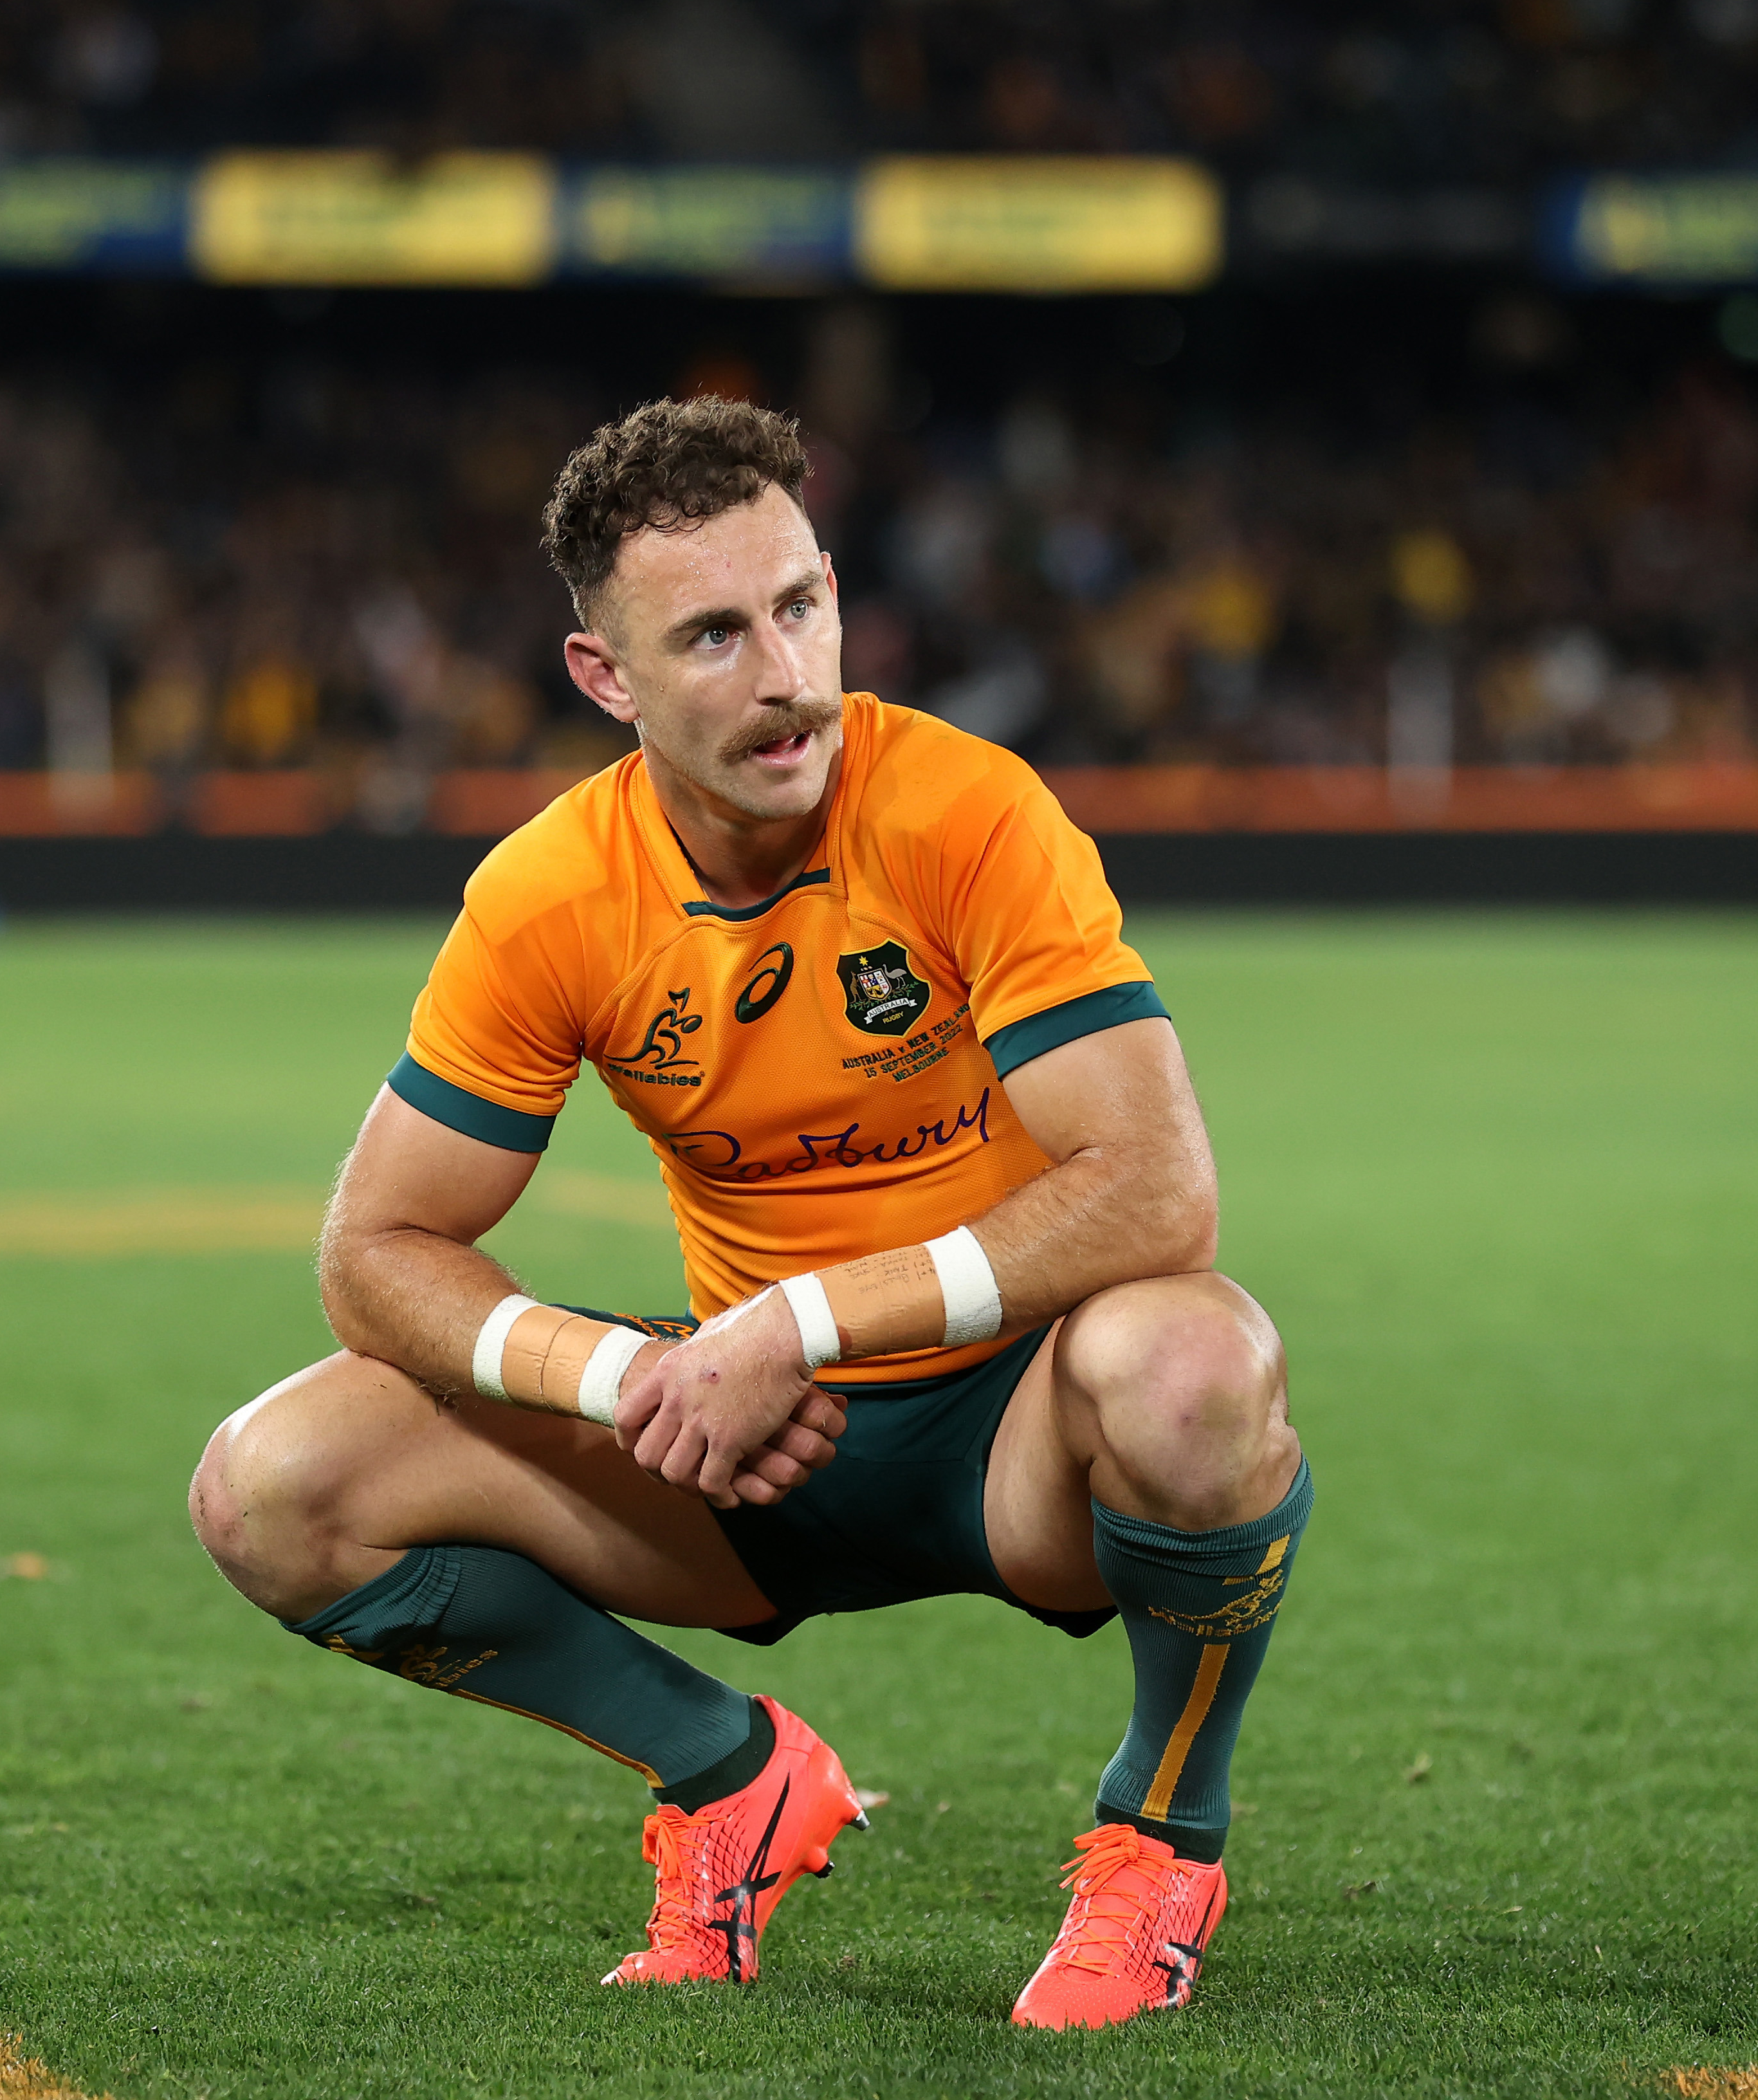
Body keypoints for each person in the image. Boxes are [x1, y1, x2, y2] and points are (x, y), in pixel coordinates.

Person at [188, 396, 1308, 2029]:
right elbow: (371, 1251)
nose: (785, 672)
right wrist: (621, 1377)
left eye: (801, 606)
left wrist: (791, 1322)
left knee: (1199, 1361)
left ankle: (1160, 1842)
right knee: (272, 1486)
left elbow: (1158, 1188)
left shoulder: (966, 809)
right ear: (606, 677)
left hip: (1021, 1432)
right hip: (730, 1453)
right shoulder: (549, 894)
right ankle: (729, 1777)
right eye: (712, 633)